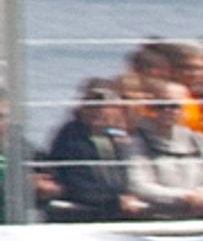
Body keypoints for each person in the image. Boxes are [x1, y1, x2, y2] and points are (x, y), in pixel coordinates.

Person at [125, 82, 203, 219]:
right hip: (157, 220)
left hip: (201, 220)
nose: (168, 110)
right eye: (161, 106)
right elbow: (139, 186)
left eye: (174, 106)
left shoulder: (200, 141)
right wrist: (185, 197)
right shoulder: (136, 141)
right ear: (151, 107)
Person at [40, 81, 141, 221]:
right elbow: (76, 183)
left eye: (103, 106)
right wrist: (115, 201)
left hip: (116, 210)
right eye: (92, 106)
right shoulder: (70, 137)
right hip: (84, 214)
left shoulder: (115, 138)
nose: (98, 111)